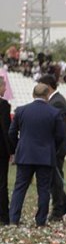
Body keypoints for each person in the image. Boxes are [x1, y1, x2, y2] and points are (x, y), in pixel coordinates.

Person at [8, 83, 66, 226]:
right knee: (43, 189)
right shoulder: (54, 112)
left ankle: (14, 218)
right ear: (47, 95)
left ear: (33, 94)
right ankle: (40, 220)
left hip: (25, 154)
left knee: (20, 187)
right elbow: (60, 135)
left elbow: (12, 132)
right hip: (45, 155)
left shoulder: (21, 111)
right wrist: (52, 148)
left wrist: (18, 147)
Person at [38, 74, 66, 222]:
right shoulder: (55, 100)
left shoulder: (57, 102)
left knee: (55, 179)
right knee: (54, 177)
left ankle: (58, 208)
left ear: (48, 86)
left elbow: (55, 128)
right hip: (55, 146)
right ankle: (65, 202)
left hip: (57, 147)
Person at [0, 77, 11, 225]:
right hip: (1, 150)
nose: (5, 89)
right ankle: (3, 215)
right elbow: (5, 129)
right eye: (4, 86)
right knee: (2, 183)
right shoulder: (3, 105)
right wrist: (11, 150)